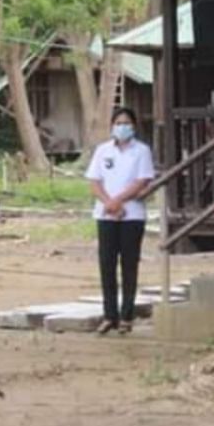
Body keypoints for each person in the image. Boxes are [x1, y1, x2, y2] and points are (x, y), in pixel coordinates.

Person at [85, 107, 155, 335]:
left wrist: (118, 201)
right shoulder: (102, 151)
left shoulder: (142, 151)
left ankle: (127, 315)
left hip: (131, 214)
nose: (122, 127)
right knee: (107, 264)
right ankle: (109, 315)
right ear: (112, 126)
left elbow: (142, 180)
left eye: (126, 123)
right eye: (118, 123)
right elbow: (94, 181)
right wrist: (109, 203)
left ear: (133, 126)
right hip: (106, 214)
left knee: (129, 264)